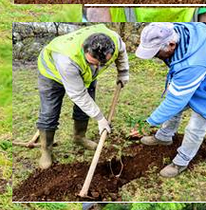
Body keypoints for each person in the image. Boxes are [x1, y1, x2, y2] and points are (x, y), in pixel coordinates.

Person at [35, 24, 130, 169]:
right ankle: (46, 150)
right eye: (92, 63)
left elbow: (121, 52)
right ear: (84, 49)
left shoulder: (114, 41)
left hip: (83, 75)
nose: (96, 67)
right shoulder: (66, 59)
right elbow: (78, 95)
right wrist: (100, 118)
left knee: (86, 105)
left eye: (101, 64)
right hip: (52, 74)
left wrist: (123, 72)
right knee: (49, 112)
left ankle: (79, 137)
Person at [136, 22, 206, 178]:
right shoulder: (173, 29)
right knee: (176, 108)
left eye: (156, 52)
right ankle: (164, 137)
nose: (154, 56)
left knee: (196, 125)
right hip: (199, 71)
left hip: (200, 73)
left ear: (172, 44)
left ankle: (181, 162)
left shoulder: (192, 63)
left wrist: (149, 122)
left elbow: (175, 101)